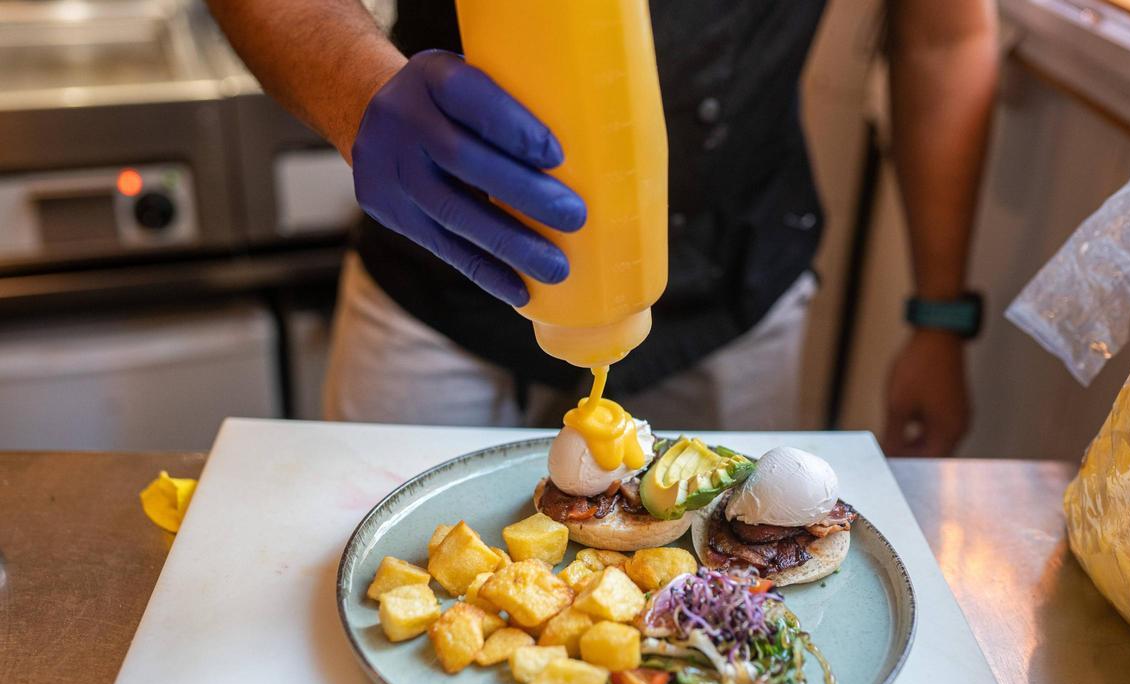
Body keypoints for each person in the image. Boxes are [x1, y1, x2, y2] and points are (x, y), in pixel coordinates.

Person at [206, 0, 997, 456]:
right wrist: (357, 91)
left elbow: (944, 34)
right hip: (437, 259)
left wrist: (938, 316)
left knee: (715, 622)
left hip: (735, 277)